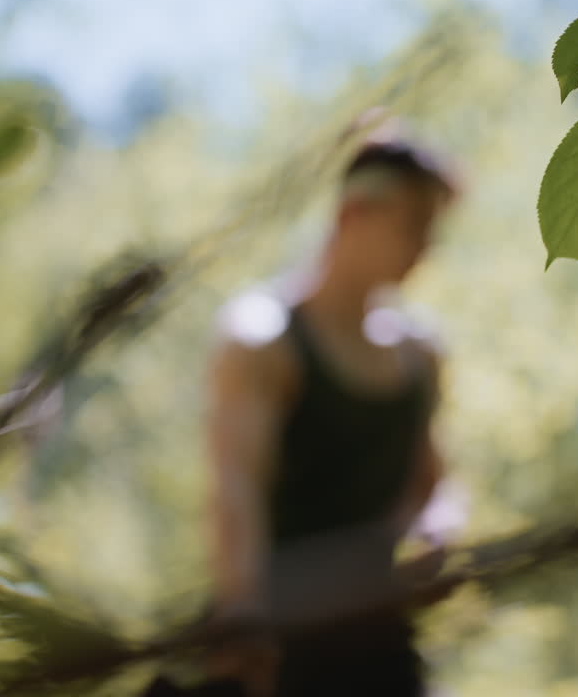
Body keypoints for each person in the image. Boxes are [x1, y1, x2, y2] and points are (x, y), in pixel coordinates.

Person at [146, 126, 462, 697]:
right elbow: (235, 492)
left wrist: (439, 531)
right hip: (271, 637)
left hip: (376, 641)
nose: (427, 245)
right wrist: (243, 616)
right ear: (354, 213)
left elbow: (433, 481)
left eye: (433, 229)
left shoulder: (420, 354)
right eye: (414, 224)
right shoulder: (263, 337)